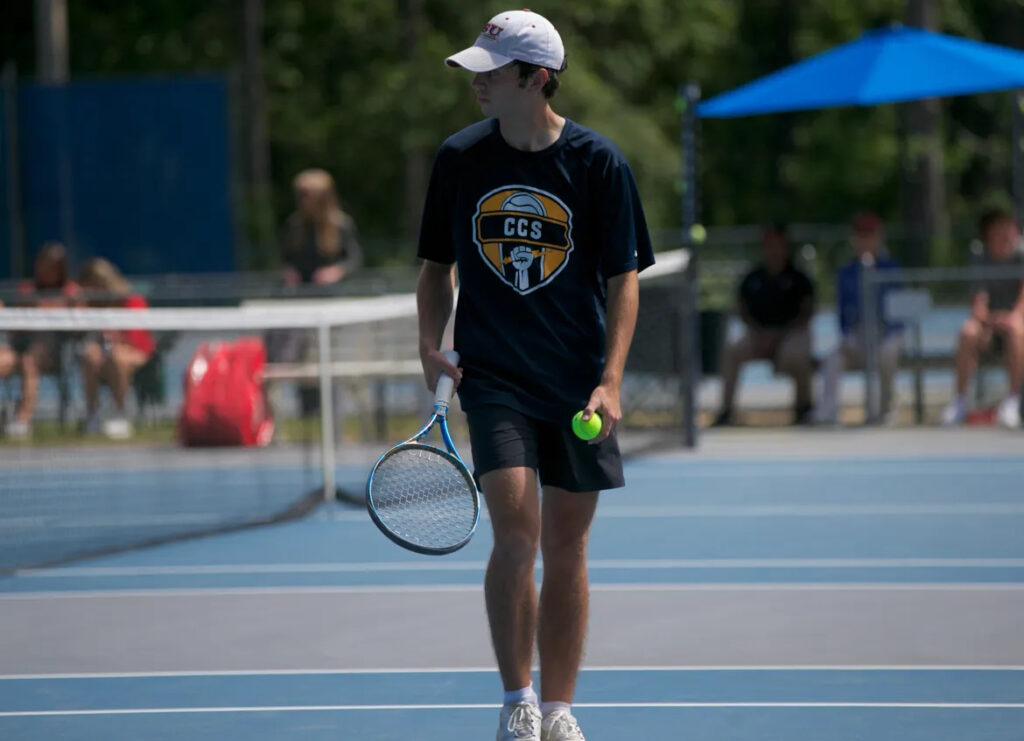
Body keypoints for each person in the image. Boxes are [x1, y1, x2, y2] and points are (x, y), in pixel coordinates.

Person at [416, 11, 653, 741]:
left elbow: (624, 280)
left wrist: (611, 379)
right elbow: (435, 271)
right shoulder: (460, 159)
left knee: (567, 549)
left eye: (491, 72)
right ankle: (517, 698)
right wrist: (430, 343)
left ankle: (559, 708)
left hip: (577, 383)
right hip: (495, 381)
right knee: (516, 534)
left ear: (536, 78)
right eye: (476, 69)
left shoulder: (597, 163)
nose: (477, 83)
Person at [269, 168, 363, 416]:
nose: (303, 201)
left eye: (307, 195)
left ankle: (333, 415)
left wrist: (335, 272)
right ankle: (304, 412)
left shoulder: (341, 225)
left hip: (330, 307)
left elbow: (353, 260)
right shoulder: (294, 225)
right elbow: (284, 259)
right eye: (300, 195)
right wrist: (288, 273)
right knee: (291, 359)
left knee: (328, 362)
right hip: (298, 307)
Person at [713, 223, 816, 426]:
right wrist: (758, 333)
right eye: (767, 244)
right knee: (732, 349)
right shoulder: (753, 278)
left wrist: (780, 336)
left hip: (790, 336)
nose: (772, 249)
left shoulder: (799, 278)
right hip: (757, 336)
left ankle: (803, 408)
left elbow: (807, 313)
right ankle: (726, 410)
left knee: (796, 354)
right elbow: (742, 310)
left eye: (776, 243)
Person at [816, 213, 903, 425]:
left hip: (886, 335)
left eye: (870, 235)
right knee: (833, 360)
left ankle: (885, 410)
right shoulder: (846, 273)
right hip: (858, 336)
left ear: (879, 237)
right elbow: (843, 314)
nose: (865, 240)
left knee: (888, 353)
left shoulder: (892, 270)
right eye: (861, 235)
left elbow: (898, 312)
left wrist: (887, 335)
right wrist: (848, 337)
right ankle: (828, 412)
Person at [941, 207, 1024, 428]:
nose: (1008, 231)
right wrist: (988, 323)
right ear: (989, 232)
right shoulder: (980, 258)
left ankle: (1013, 400)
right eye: (1001, 227)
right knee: (968, 331)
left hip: (1015, 321)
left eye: (1010, 225)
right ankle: (960, 400)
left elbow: (1023, 302)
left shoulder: (1021, 255)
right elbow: (978, 303)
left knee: (1016, 328)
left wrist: (1010, 318)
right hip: (991, 323)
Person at [0, 242, 80, 438]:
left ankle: (23, 419)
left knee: (30, 362)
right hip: (21, 347)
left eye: (49, 266)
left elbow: (79, 324)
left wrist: (49, 310)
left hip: (55, 352)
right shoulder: (27, 290)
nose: (43, 271)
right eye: (41, 265)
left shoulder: (71, 292)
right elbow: (16, 328)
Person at [76, 258, 155, 439]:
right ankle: (92, 415)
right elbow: (79, 333)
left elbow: (138, 338)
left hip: (136, 352)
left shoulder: (132, 299)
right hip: (106, 353)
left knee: (117, 357)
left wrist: (116, 337)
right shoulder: (91, 304)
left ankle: (120, 414)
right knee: (90, 354)